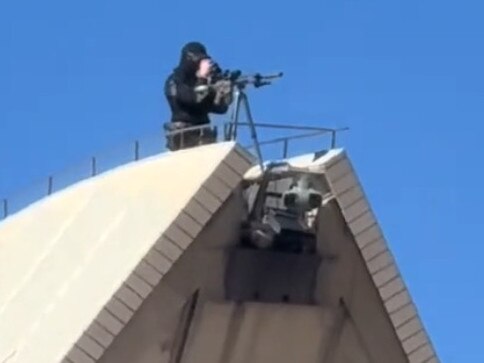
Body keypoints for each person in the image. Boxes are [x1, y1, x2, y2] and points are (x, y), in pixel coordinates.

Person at [164, 41, 233, 151]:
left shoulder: (201, 82)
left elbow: (219, 108)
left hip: (205, 136)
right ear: (189, 58)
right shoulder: (174, 81)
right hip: (183, 138)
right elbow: (193, 100)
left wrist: (222, 91)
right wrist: (202, 78)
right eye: (199, 59)